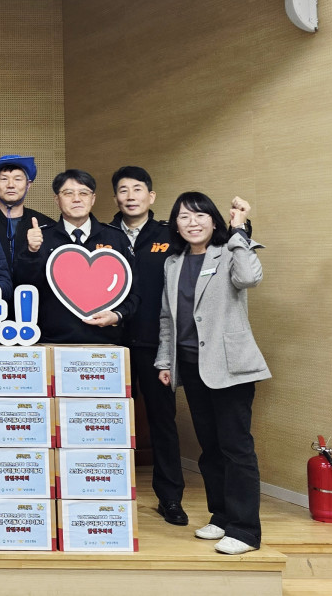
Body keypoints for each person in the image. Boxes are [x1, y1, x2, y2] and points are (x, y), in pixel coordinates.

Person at [156, 192, 267, 556]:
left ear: (214, 221)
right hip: (191, 365)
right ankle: (221, 516)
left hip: (230, 365)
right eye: (184, 216)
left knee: (236, 448)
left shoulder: (230, 251)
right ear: (175, 225)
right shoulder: (173, 263)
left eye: (200, 215)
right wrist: (165, 362)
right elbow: (167, 317)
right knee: (210, 448)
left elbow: (249, 278)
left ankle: (245, 530)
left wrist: (239, 231)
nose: (192, 222)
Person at [108, 165, 186, 527]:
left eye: (137, 189)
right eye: (123, 190)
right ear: (115, 198)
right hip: (110, 344)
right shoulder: (102, 235)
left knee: (162, 421)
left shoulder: (171, 235)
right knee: (105, 420)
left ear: (151, 196)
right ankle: (103, 489)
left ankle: (170, 497)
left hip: (155, 343)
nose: (130, 196)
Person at [15, 169, 137, 345]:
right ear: (56, 199)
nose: (77, 199)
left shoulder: (116, 238)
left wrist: (118, 315)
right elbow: (23, 285)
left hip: (105, 341)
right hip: (51, 341)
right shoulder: (40, 237)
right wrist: (31, 252)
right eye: (68, 193)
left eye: (83, 193)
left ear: (93, 199)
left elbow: (134, 289)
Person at [0, 155, 54, 278]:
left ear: (28, 185)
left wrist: (33, 251)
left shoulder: (47, 225)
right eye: (4, 179)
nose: (11, 185)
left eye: (18, 179)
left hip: (31, 290)